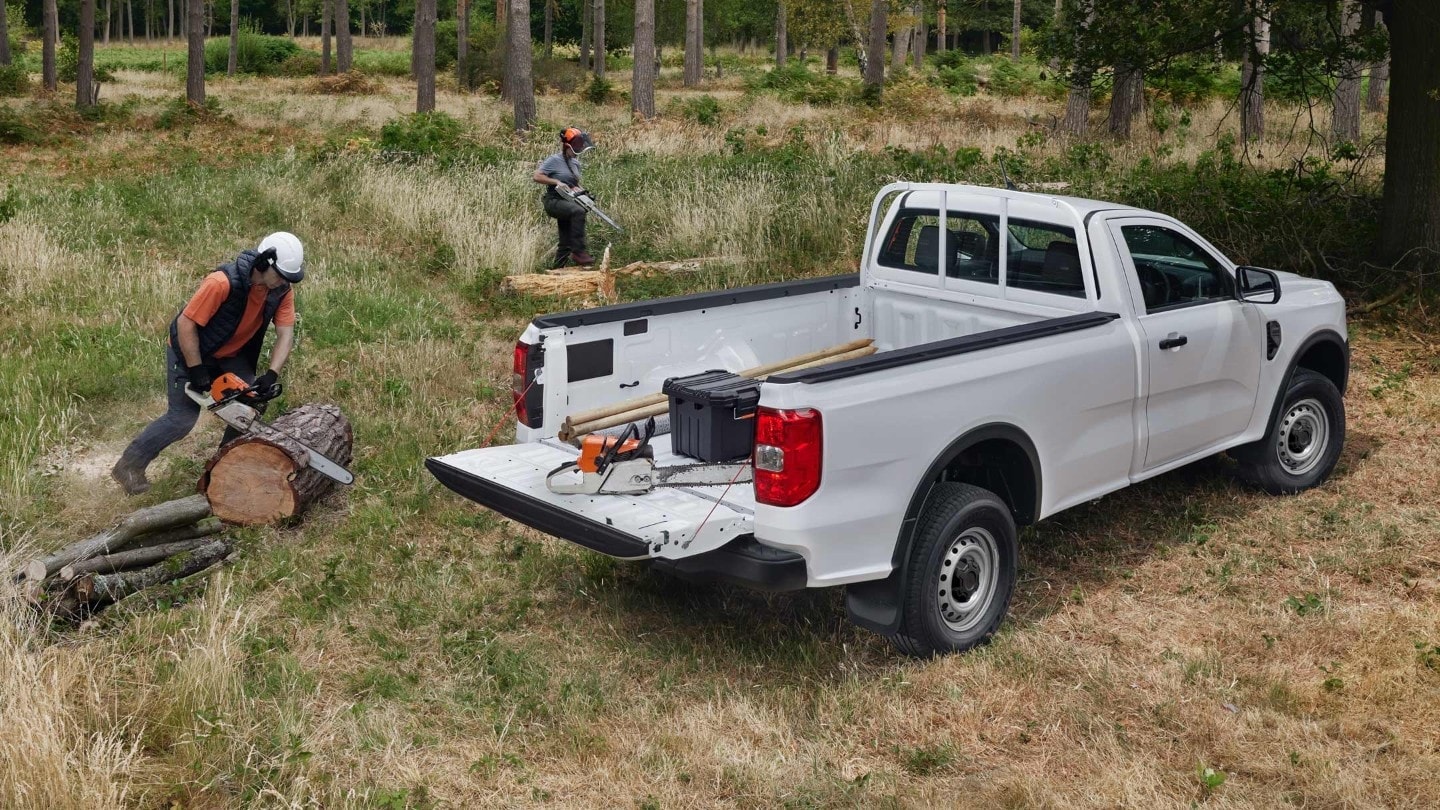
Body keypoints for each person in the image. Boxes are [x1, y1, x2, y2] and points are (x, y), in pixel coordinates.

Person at [111, 233, 305, 495]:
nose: (283, 282)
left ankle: (222, 470)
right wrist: (197, 368)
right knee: (182, 419)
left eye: (288, 278)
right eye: (280, 274)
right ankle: (129, 466)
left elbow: (285, 334)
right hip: (191, 351)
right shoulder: (222, 283)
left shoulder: (280, 292)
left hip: (231, 354)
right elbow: (185, 324)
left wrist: (271, 374)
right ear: (263, 262)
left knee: (251, 404)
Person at [534, 127, 596, 268]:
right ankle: (579, 252)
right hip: (554, 200)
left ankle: (557, 270)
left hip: (569, 200)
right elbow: (537, 176)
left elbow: (574, 183)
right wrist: (556, 182)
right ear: (568, 145)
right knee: (577, 212)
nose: (579, 148)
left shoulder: (575, 163)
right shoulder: (554, 160)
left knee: (566, 242)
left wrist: (582, 192)